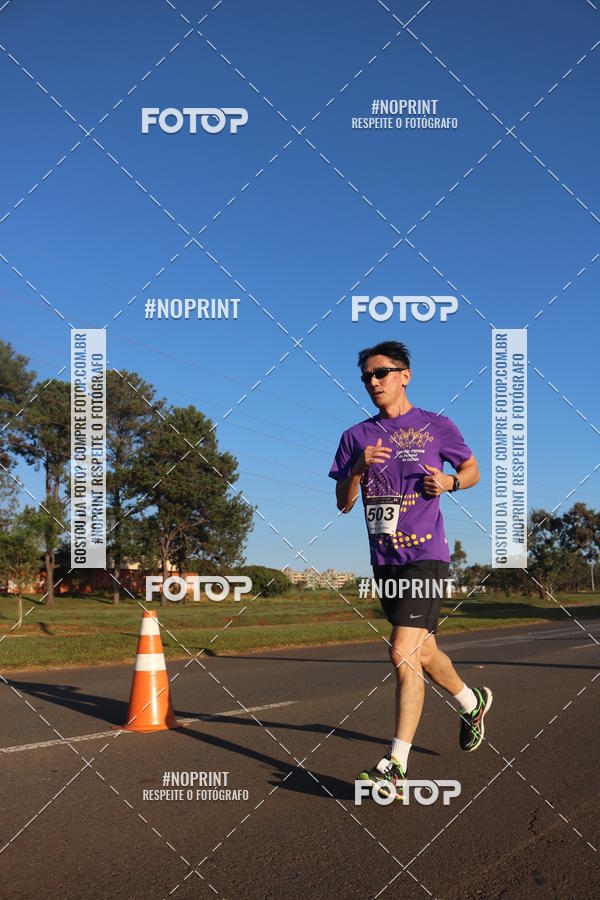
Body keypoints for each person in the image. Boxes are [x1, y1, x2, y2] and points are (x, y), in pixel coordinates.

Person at [328, 341, 492, 800]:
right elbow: (343, 504)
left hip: (427, 556)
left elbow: (472, 467)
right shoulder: (354, 437)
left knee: (401, 651)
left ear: (405, 375)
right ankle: (471, 702)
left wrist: (451, 481)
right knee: (422, 653)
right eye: (366, 377)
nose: (373, 382)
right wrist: (356, 470)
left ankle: (395, 768)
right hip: (385, 561)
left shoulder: (437, 426)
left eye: (381, 373)